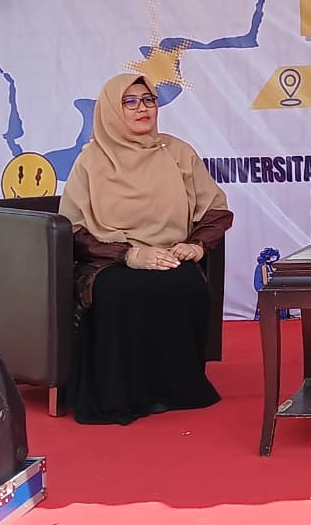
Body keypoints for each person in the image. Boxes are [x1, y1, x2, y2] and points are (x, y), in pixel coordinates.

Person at [59, 74, 233, 424]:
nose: (143, 108)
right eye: (130, 102)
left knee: (184, 282)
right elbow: (73, 230)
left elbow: (216, 211)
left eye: (148, 100)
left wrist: (196, 246)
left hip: (168, 254)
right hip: (107, 261)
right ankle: (120, 397)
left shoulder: (178, 153)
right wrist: (129, 255)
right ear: (111, 110)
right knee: (120, 289)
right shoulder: (91, 161)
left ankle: (176, 391)